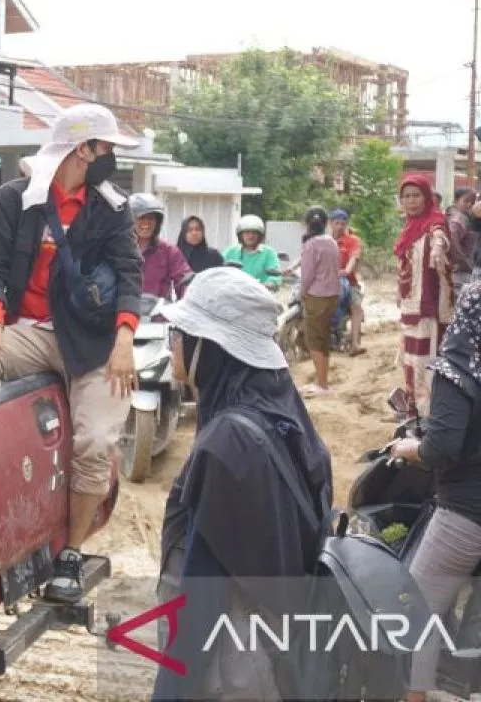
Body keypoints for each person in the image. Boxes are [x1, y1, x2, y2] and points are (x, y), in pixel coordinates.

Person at [0, 102, 143, 604]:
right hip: (31, 332)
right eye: (106, 148)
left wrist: (125, 338)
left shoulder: (112, 208)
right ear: (83, 149)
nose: (111, 157)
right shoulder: (15, 199)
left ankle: (72, 552)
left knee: (94, 442)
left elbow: (130, 275)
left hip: (95, 342)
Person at [151, 266, 334, 700]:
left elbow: (200, 598)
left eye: (179, 333)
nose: (172, 344)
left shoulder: (228, 443)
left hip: (236, 672)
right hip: (281, 654)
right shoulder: (282, 409)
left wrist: (169, 692)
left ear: (209, 347)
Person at [388, 281, 481, 702]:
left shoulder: (458, 369)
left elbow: (441, 448)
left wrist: (408, 448)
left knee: (415, 609)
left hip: (466, 513)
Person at [395, 173, 454, 417]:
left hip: (428, 307)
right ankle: (414, 409)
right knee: (411, 360)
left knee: (425, 360)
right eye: (406, 196)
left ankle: (428, 414)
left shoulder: (434, 220)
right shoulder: (409, 227)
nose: (411, 201)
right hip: (410, 306)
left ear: (426, 197)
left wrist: (438, 248)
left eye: (416, 195)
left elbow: (440, 235)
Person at [298, 206, 340, 396]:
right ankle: (324, 382)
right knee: (324, 339)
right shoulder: (331, 242)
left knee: (314, 340)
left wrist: (302, 293)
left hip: (316, 297)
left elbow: (307, 275)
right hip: (332, 296)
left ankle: (322, 385)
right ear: (326, 223)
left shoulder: (310, 245)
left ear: (306, 224)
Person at [129, 192, 191, 300]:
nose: (146, 223)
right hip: (125, 309)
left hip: (158, 309)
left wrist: (188, 296)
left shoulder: (169, 251)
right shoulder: (120, 250)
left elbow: (184, 280)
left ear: (157, 222)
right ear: (130, 220)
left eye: (151, 218)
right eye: (141, 218)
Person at [329, 208, 366, 357]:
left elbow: (354, 257)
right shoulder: (324, 240)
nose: (339, 226)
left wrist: (346, 270)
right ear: (330, 224)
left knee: (356, 306)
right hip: (325, 281)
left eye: (342, 223)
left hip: (348, 282)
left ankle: (355, 344)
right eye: (336, 223)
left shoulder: (353, 240)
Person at [223, 214, 282, 290]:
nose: (250, 236)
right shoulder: (230, 252)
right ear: (241, 235)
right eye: (247, 232)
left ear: (260, 235)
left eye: (254, 233)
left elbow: (276, 277)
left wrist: (269, 284)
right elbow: (218, 271)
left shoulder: (268, 253)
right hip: (233, 292)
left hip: (260, 293)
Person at [447, 187, 477, 294]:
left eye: (473, 202)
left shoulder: (461, 216)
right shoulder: (458, 219)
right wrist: (464, 263)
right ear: (456, 201)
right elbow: (452, 240)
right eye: (466, 201)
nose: (470, 205)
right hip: (460, 272)